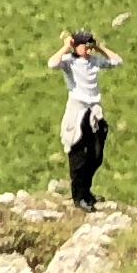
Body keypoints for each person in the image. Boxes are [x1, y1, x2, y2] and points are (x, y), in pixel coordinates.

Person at [51, 29, 120, 206]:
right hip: (77, 112)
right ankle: (79, 197)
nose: (88, 51)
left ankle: (86, 191)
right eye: (85, 47)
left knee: (96, 156)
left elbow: (116, 61)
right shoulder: (69, 62)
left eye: (90, 47)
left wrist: (99, 48)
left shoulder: (94, 62)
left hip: (94, 112)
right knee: (78, 156)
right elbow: (52, 63)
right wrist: (66, 47)